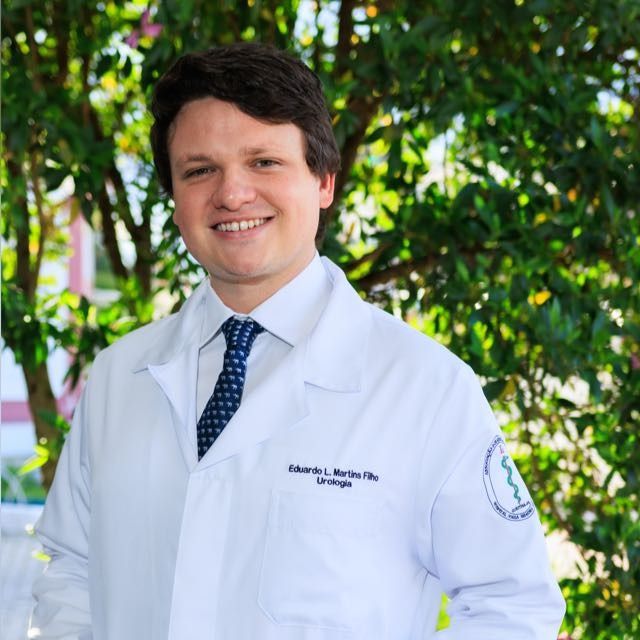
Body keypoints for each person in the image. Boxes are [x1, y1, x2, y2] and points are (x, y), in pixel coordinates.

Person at [30, 42, 565, 639]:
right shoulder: (117, 378)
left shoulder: (427, 389)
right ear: (175, 201)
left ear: (324, 181)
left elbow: (511, 608)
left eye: (264, 162)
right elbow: (71, 572)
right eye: (200, 170)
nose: (232, 194)